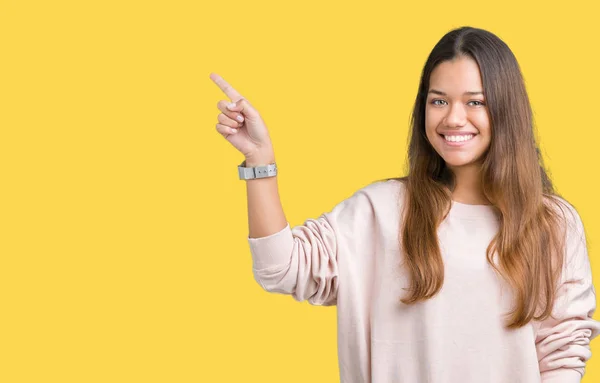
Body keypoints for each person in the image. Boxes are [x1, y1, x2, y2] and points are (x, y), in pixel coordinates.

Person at [210, 26, 600, 383]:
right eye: (439, 100)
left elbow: (563, 353)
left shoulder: (551, 222)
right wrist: (260, 160)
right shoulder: (380, 210)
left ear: (506, 108)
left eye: (475, 102)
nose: (453, 118)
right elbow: (279, 268)